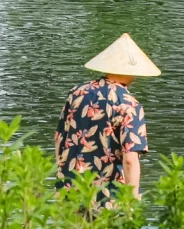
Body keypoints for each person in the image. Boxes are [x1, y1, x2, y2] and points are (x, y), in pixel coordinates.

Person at [54, 32, 158, 204]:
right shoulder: (129, 105)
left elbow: (59, 139)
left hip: (70, 192)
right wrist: (132, 202)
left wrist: (63, 177)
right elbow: (130, 159)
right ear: (133, 72)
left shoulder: (77, 93)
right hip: (108, 198)